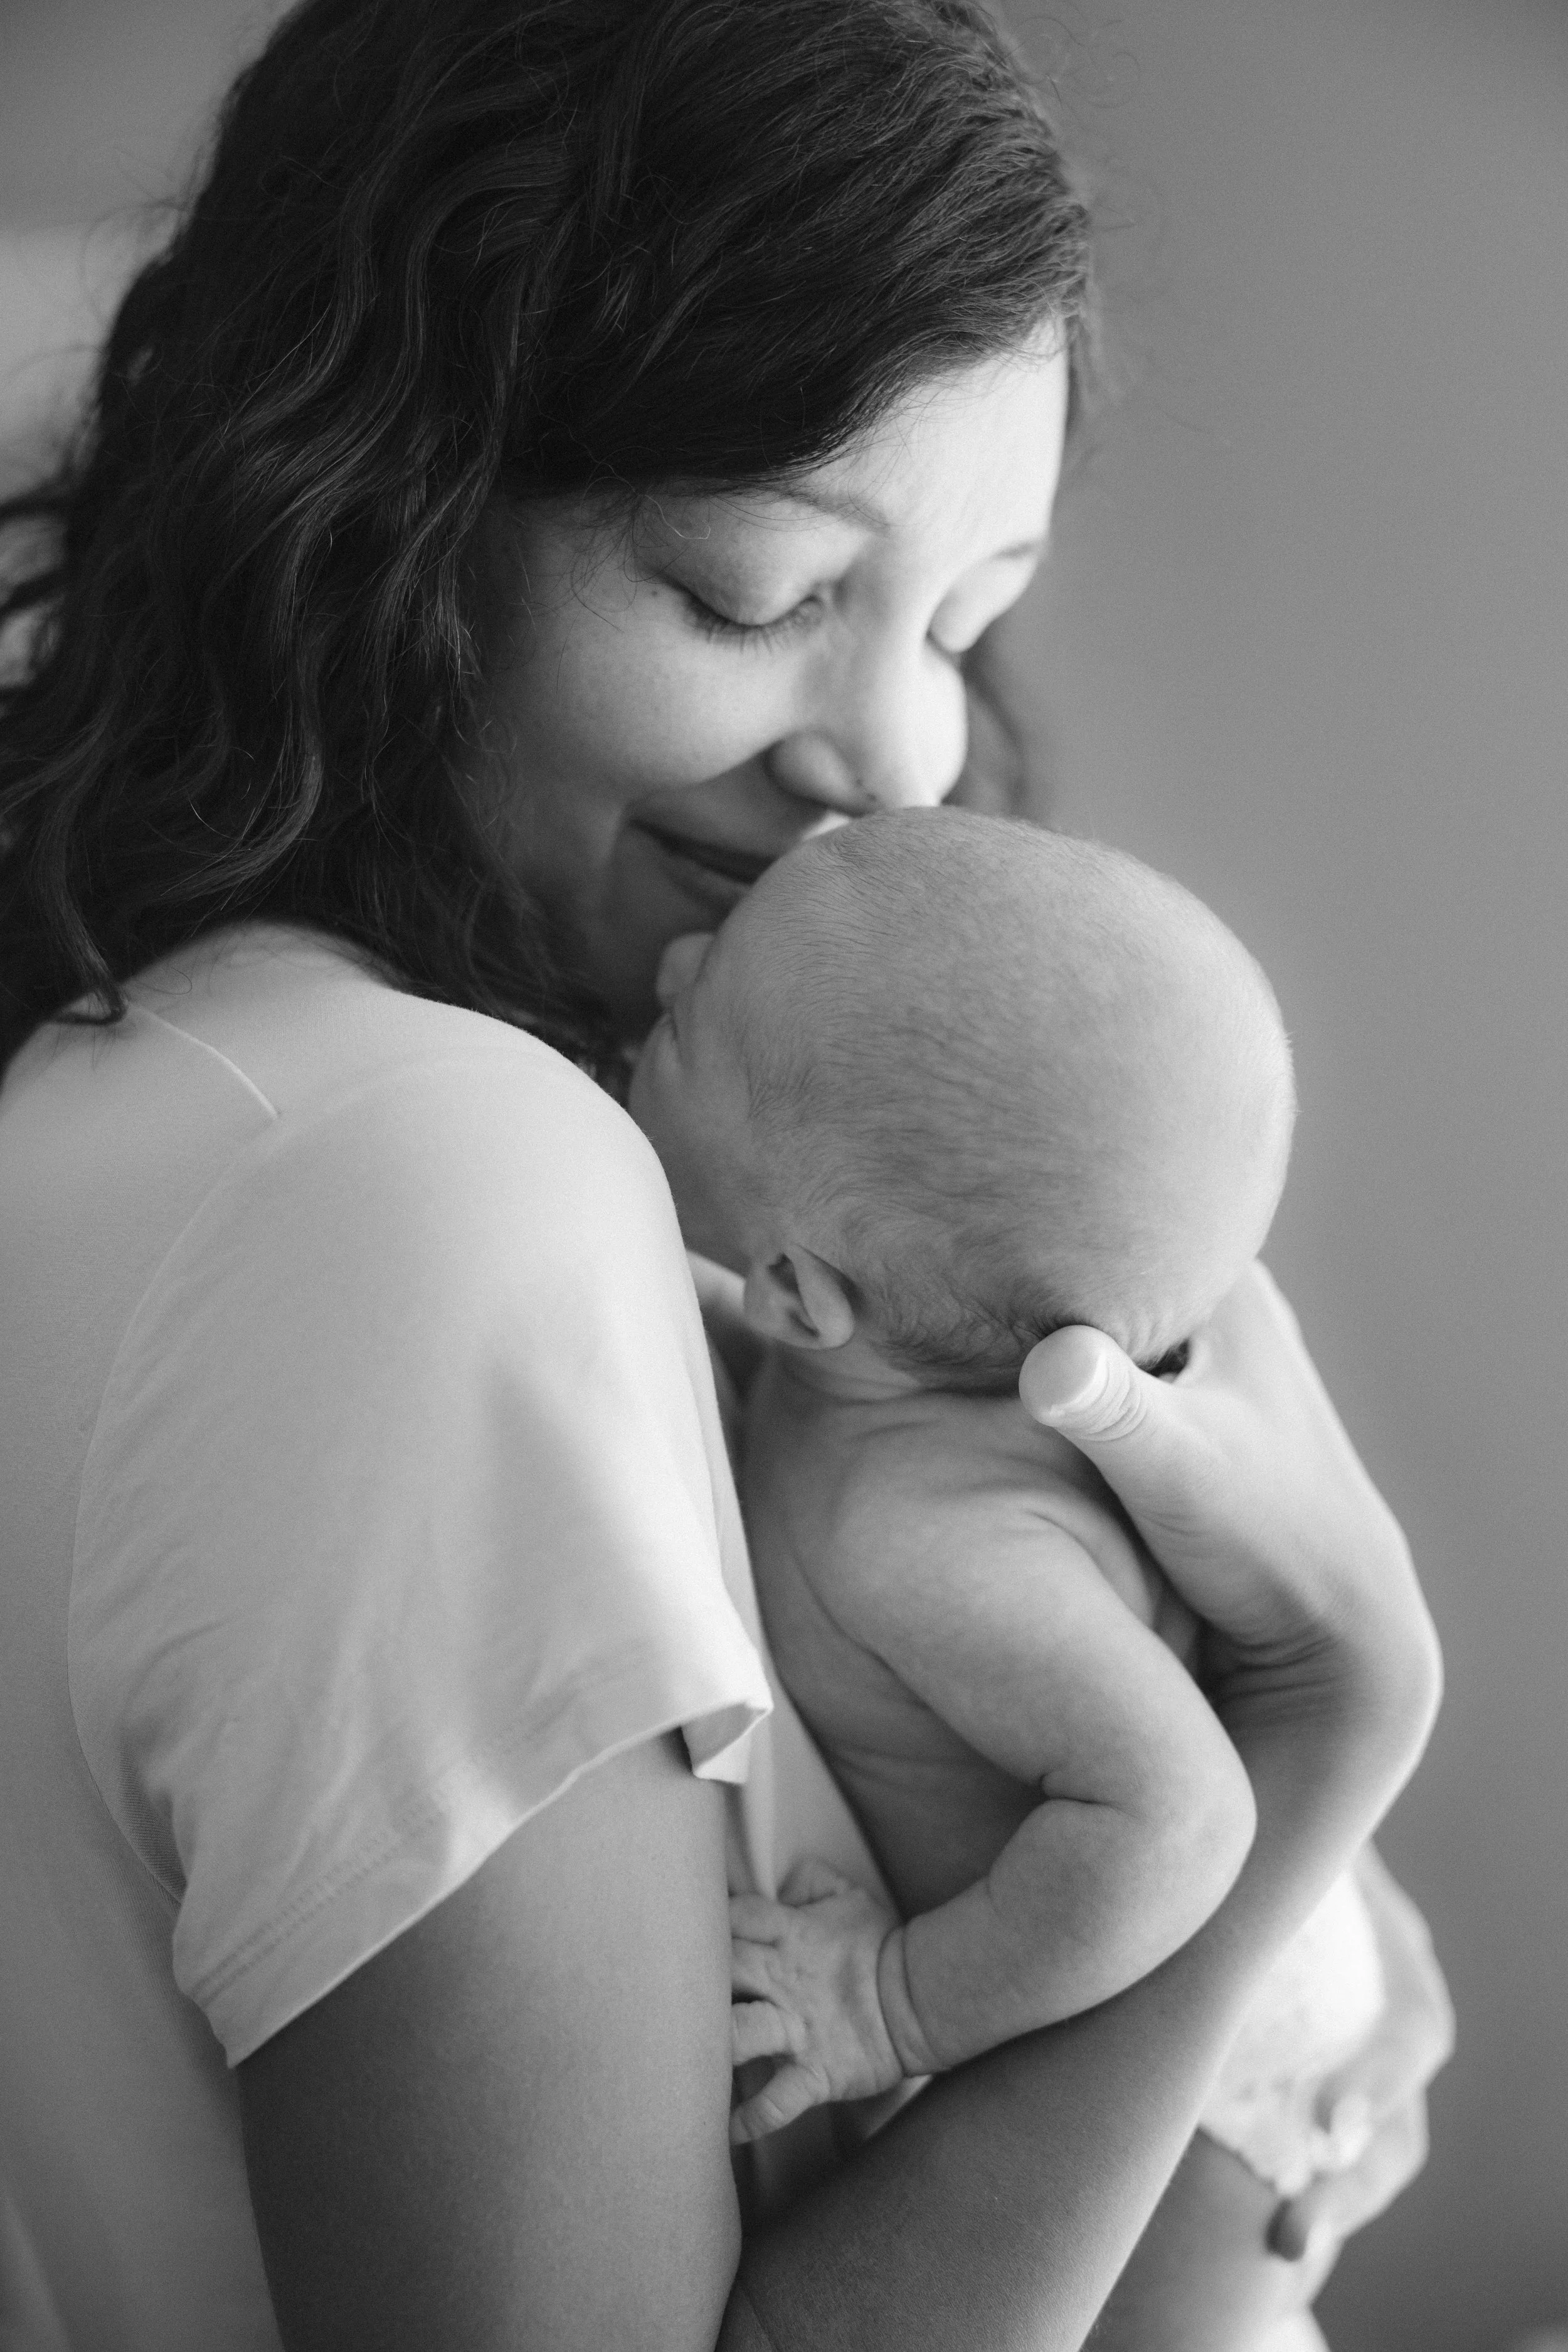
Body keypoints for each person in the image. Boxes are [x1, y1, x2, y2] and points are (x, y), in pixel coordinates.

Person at [0, 3, 1449, 2348]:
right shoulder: (434, 1176)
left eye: (968, 617)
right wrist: (1328, 1726)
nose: (901, 754)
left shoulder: (159, 1081)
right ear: (386, 496)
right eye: (761, 590)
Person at [624, 811, 1388, 2229]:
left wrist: (889, 2002)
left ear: (801, 1290)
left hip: (1225, 2070)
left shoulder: (941, 1544)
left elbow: (1179, 1812)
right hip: (1195, 1966)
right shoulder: (851, 1365)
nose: (668, 965)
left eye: (691, 1019)